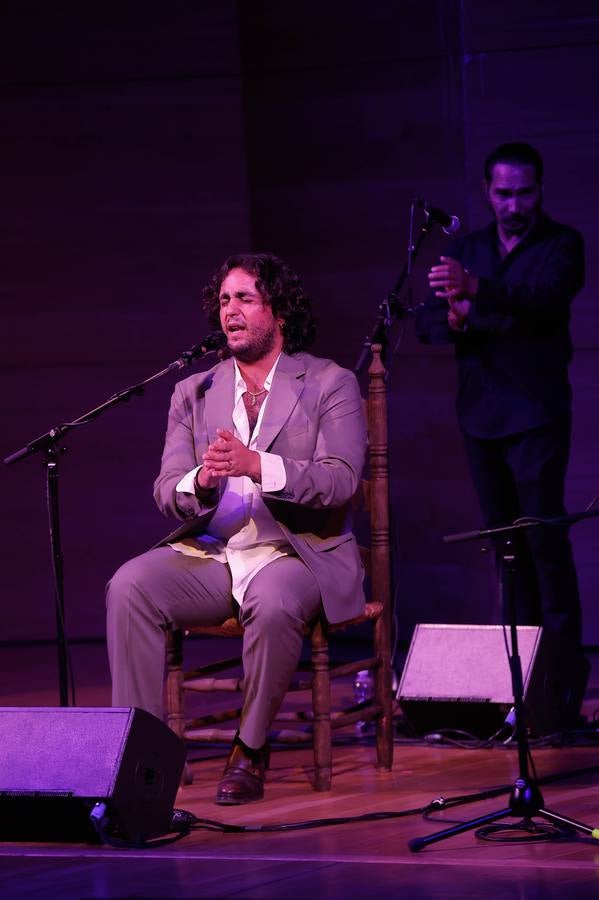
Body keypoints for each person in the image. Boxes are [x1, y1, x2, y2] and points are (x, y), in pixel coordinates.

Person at [106, 252, 367, 804]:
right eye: (224, 300)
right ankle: (139, 756)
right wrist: (200, 479)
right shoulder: (194, 391)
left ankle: (249, 750)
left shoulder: (328, 382)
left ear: (279, 310)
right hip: (216, 552)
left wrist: (257, 466)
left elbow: (341, 481)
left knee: (273, 601)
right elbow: (165, 489)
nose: (231, 310)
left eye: (245, 297)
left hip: (298, 553)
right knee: (129, 585)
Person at [415, 142, 586, 687]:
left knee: (544, 543)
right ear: (488, 192)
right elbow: (430, 324)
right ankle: (518, 682)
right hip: (480, 417)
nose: (514, 204)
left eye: (525, 192)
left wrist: (477, 294)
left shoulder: (563, 244)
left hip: (536, 415)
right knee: (505, 550)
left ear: (540, 190)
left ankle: (560, 678)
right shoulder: (467, 248)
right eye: (504, 193)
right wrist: (462, 318)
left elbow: (543, 302)